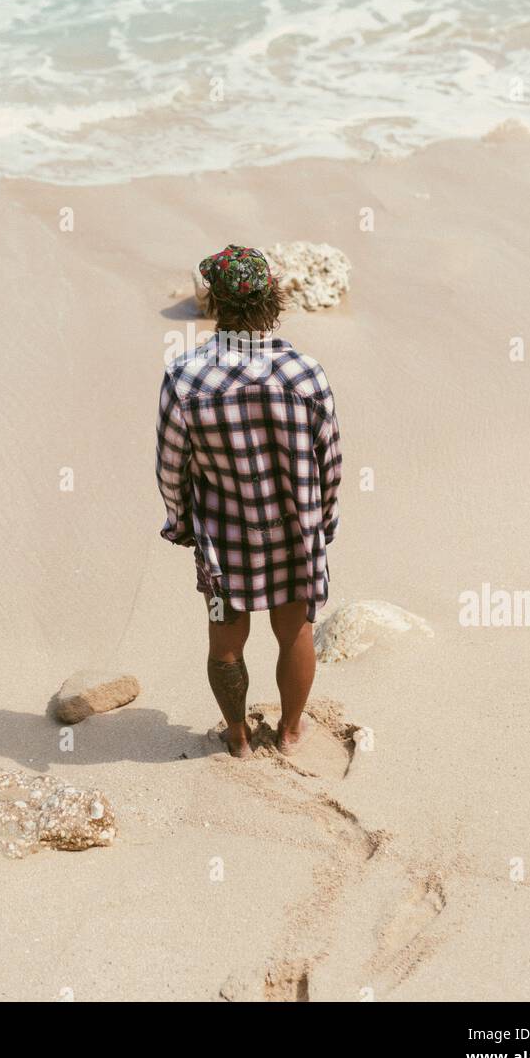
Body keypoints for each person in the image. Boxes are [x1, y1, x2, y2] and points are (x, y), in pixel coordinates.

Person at [155, 243, 342, 759]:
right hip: (296, 534)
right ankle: (289, 732)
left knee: (225, 640)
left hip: (223, 540)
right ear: (273, 297)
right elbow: (330, 464)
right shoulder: (306, 373)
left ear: (215, 301)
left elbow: (172, 467)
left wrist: (181, 524)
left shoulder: (185, 377)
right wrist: (323, 525)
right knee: (296, 634)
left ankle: (237, 739)